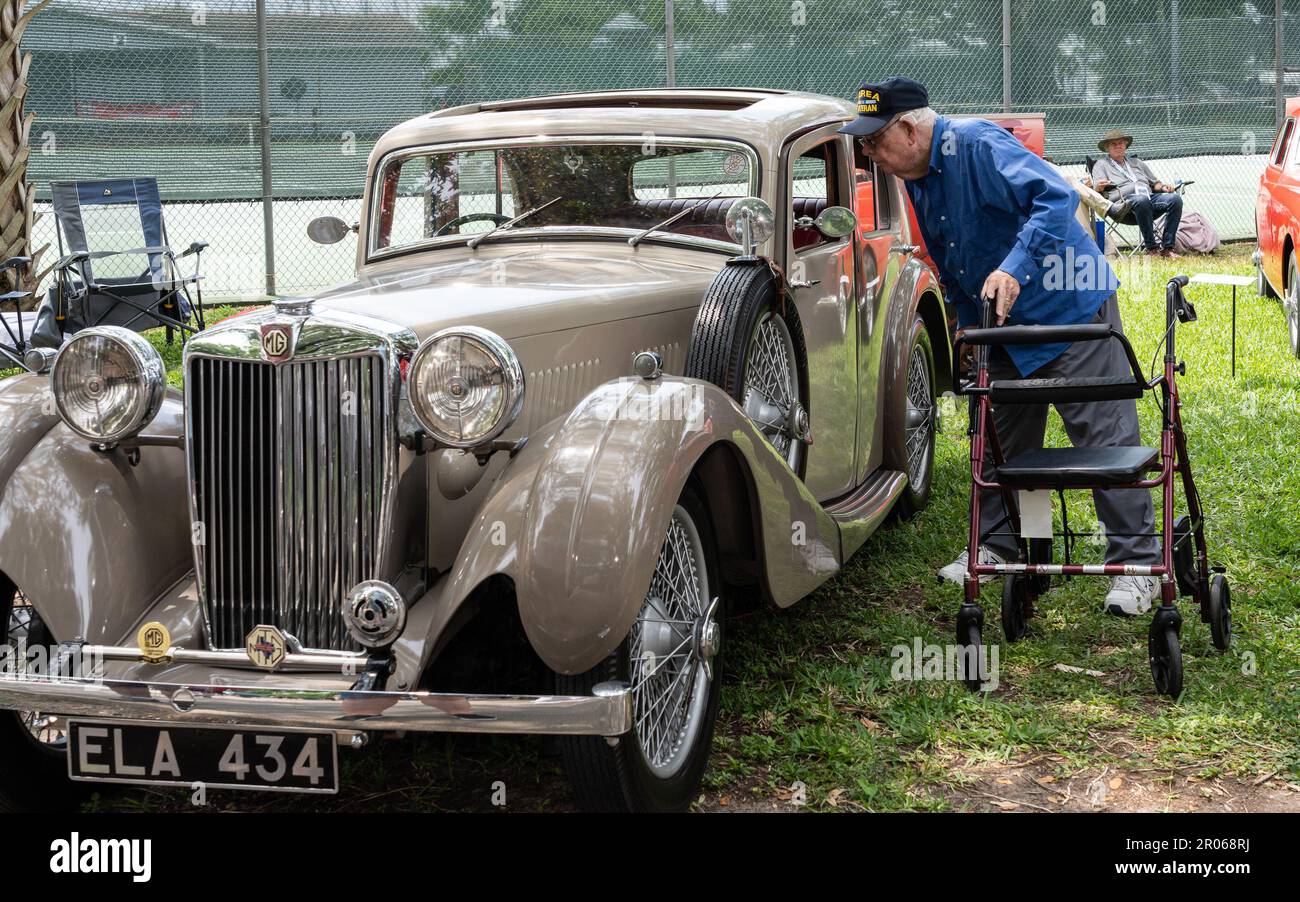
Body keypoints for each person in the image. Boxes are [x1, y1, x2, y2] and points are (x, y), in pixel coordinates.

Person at [841, 76, 1161, 615]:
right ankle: (1003, 546)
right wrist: (967, 324)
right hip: (1001, 325)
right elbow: (951, 255)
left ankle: (1137, 565)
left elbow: (1056, 199)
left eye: (873, 139)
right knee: (999, 444)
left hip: (1069, 309)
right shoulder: (914, 175)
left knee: (1103, 442)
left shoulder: (977, 143)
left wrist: (1013, 269)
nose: (866, 151)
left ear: (908, 128)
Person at [1089, 129, 1183, 257]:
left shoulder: (1137, 163)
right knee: (1141, 200)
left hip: (1147, 199)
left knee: (1175, 200)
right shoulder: (1101, 165)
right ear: (1107, 148)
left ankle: (1168, 248)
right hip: (1122, 205)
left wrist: (1164, 187)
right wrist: (1099, 187)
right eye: (1114, 144)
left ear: (1125, 145)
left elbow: (1155, 183)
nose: (1118, 146)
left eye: (1121, 143)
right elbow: (1096, 190)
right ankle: (1152, 249)